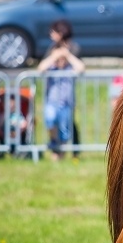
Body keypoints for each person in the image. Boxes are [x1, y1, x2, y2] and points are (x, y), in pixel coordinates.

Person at [37, 20, 85, 161]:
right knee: (51, 120)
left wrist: (67, 55)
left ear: (61, 33)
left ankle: (64, 152)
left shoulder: (74, 47)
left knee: (66, 127)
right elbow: (41, 67)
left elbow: (80, 67)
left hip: (67, 99)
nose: (51, 35)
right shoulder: (52, 48)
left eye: (53, 32)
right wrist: (55, 56)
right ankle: (57, 147)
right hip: (52, 98)